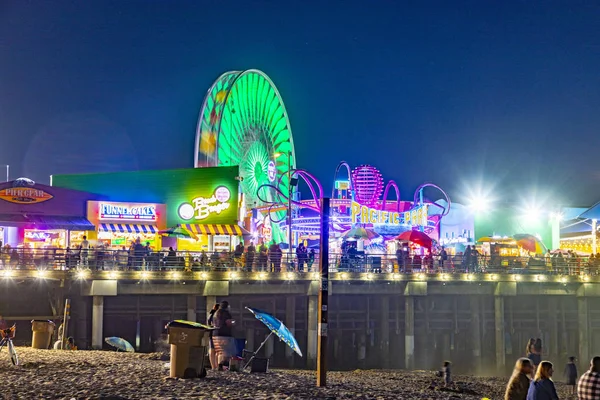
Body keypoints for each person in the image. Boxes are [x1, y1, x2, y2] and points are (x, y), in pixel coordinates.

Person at [213, 301, 236, 370]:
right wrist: (233, 322)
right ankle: (222, 366)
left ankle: (217, 366)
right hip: (224, 334)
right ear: (227, 306)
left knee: (218, 351)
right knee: (225, 351)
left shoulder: (216, 313)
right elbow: (228, 323)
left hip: (215, 334)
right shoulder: (226, 313)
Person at [207, 303, 220, 370]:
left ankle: (214, 366)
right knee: (214, 350)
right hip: (214, 334)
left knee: (213, 350)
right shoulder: (215, 315)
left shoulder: (211, 315)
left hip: (212, 333)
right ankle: (215, 366)